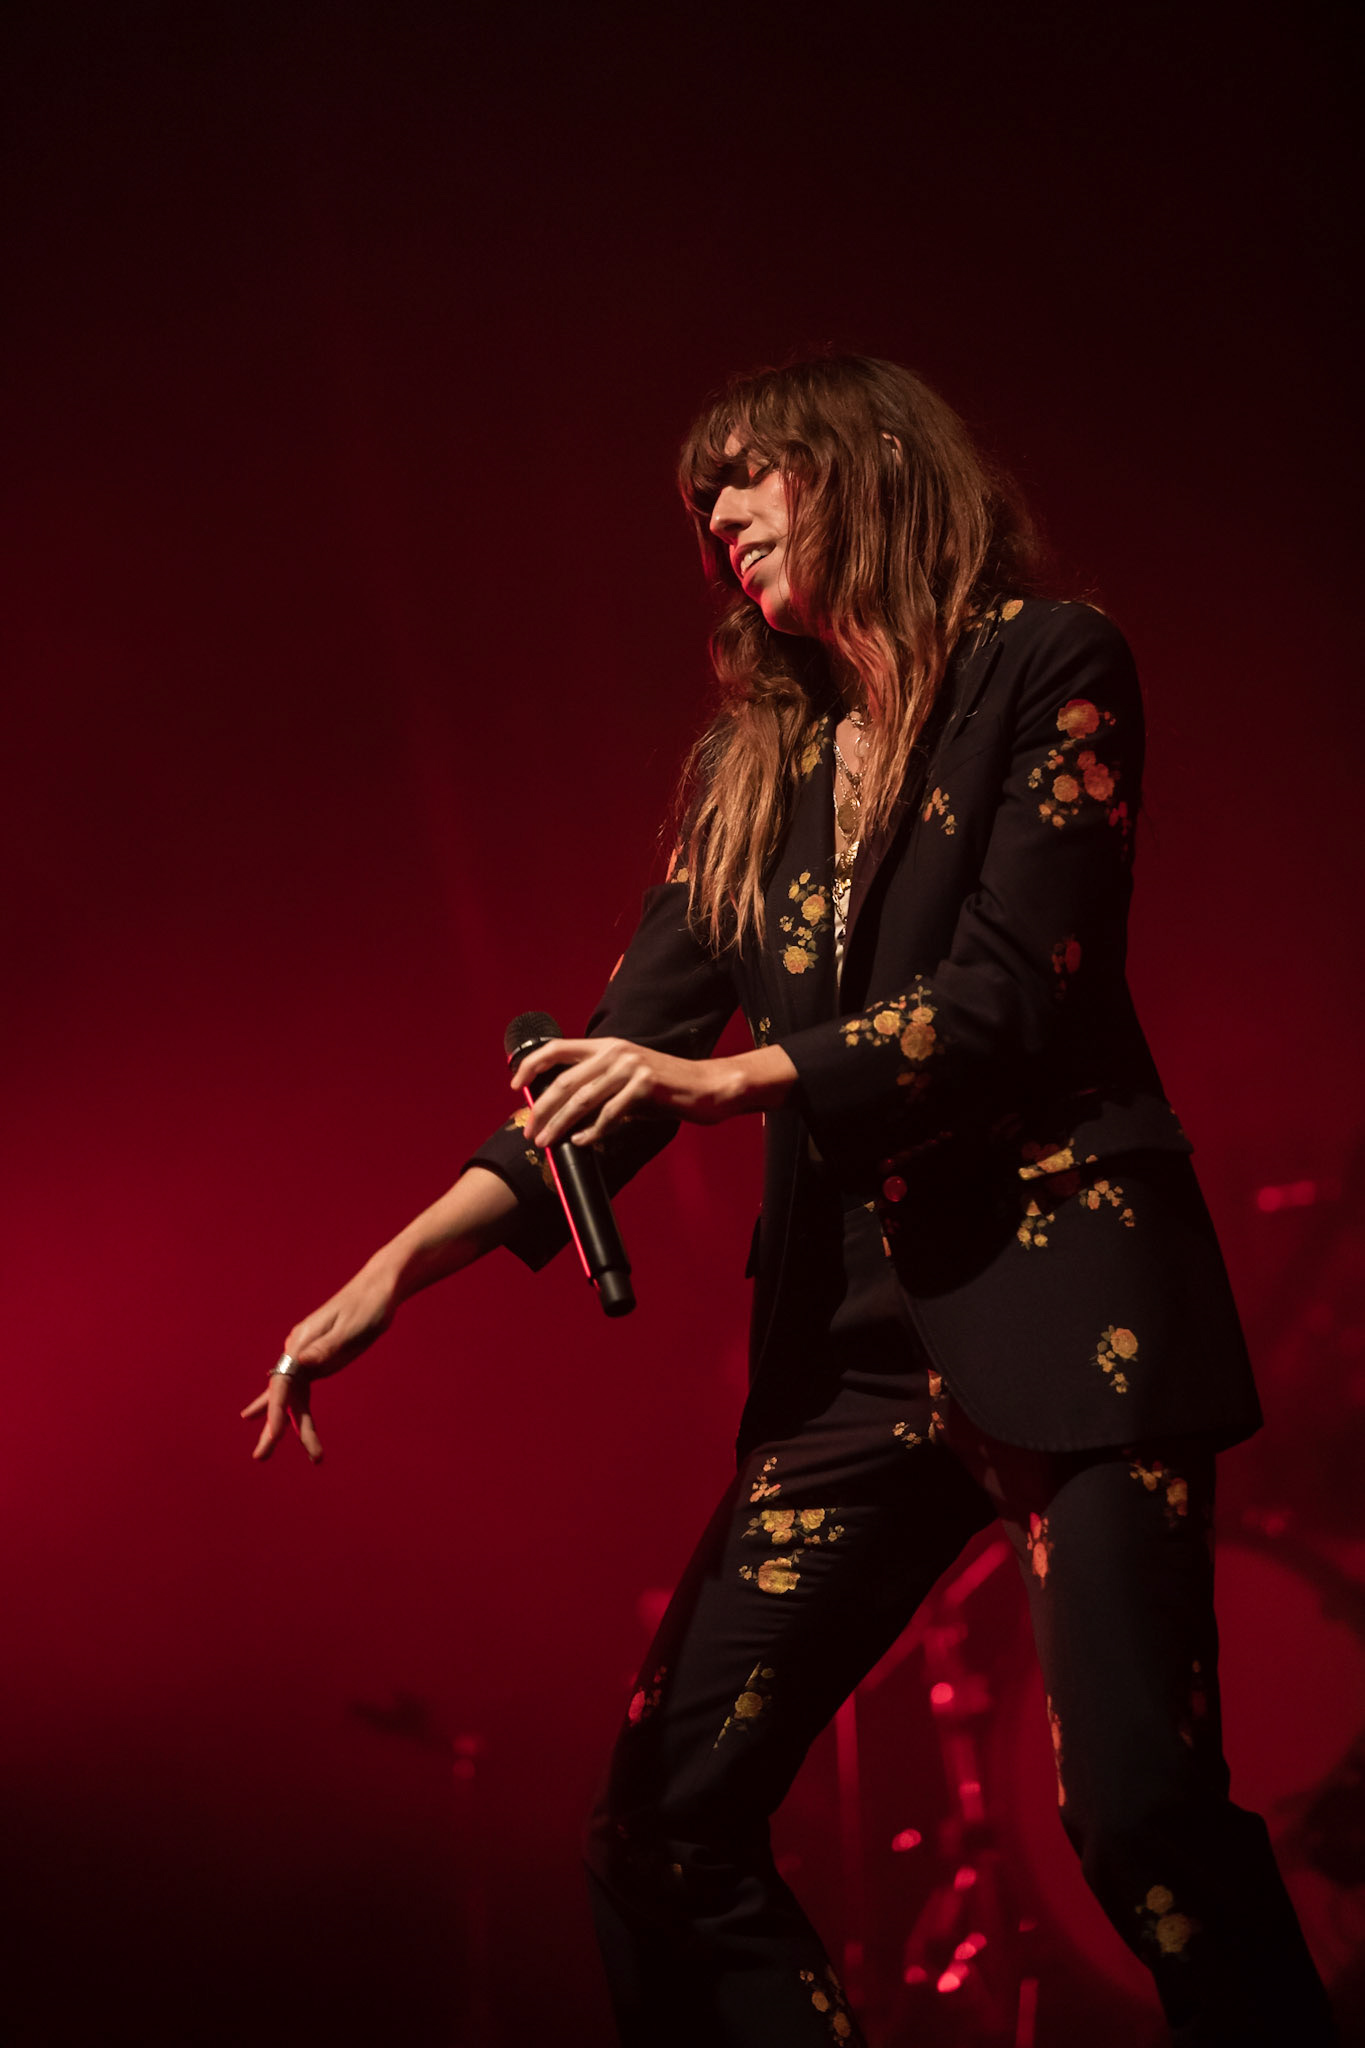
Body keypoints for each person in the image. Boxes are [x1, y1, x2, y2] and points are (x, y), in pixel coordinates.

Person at [243, 356, 1334, 2046]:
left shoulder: (1048, 664)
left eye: (750, 476)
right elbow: (621, 1063)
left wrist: (729, 1081)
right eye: (703, 505)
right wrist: (395, 1270)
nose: (721, 518)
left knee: (1141, 1826)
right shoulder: (752, 778)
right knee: (661, 1826)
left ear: (875, 463)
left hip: (1072, 1301)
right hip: (859, 1354)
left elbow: (1007, 994)